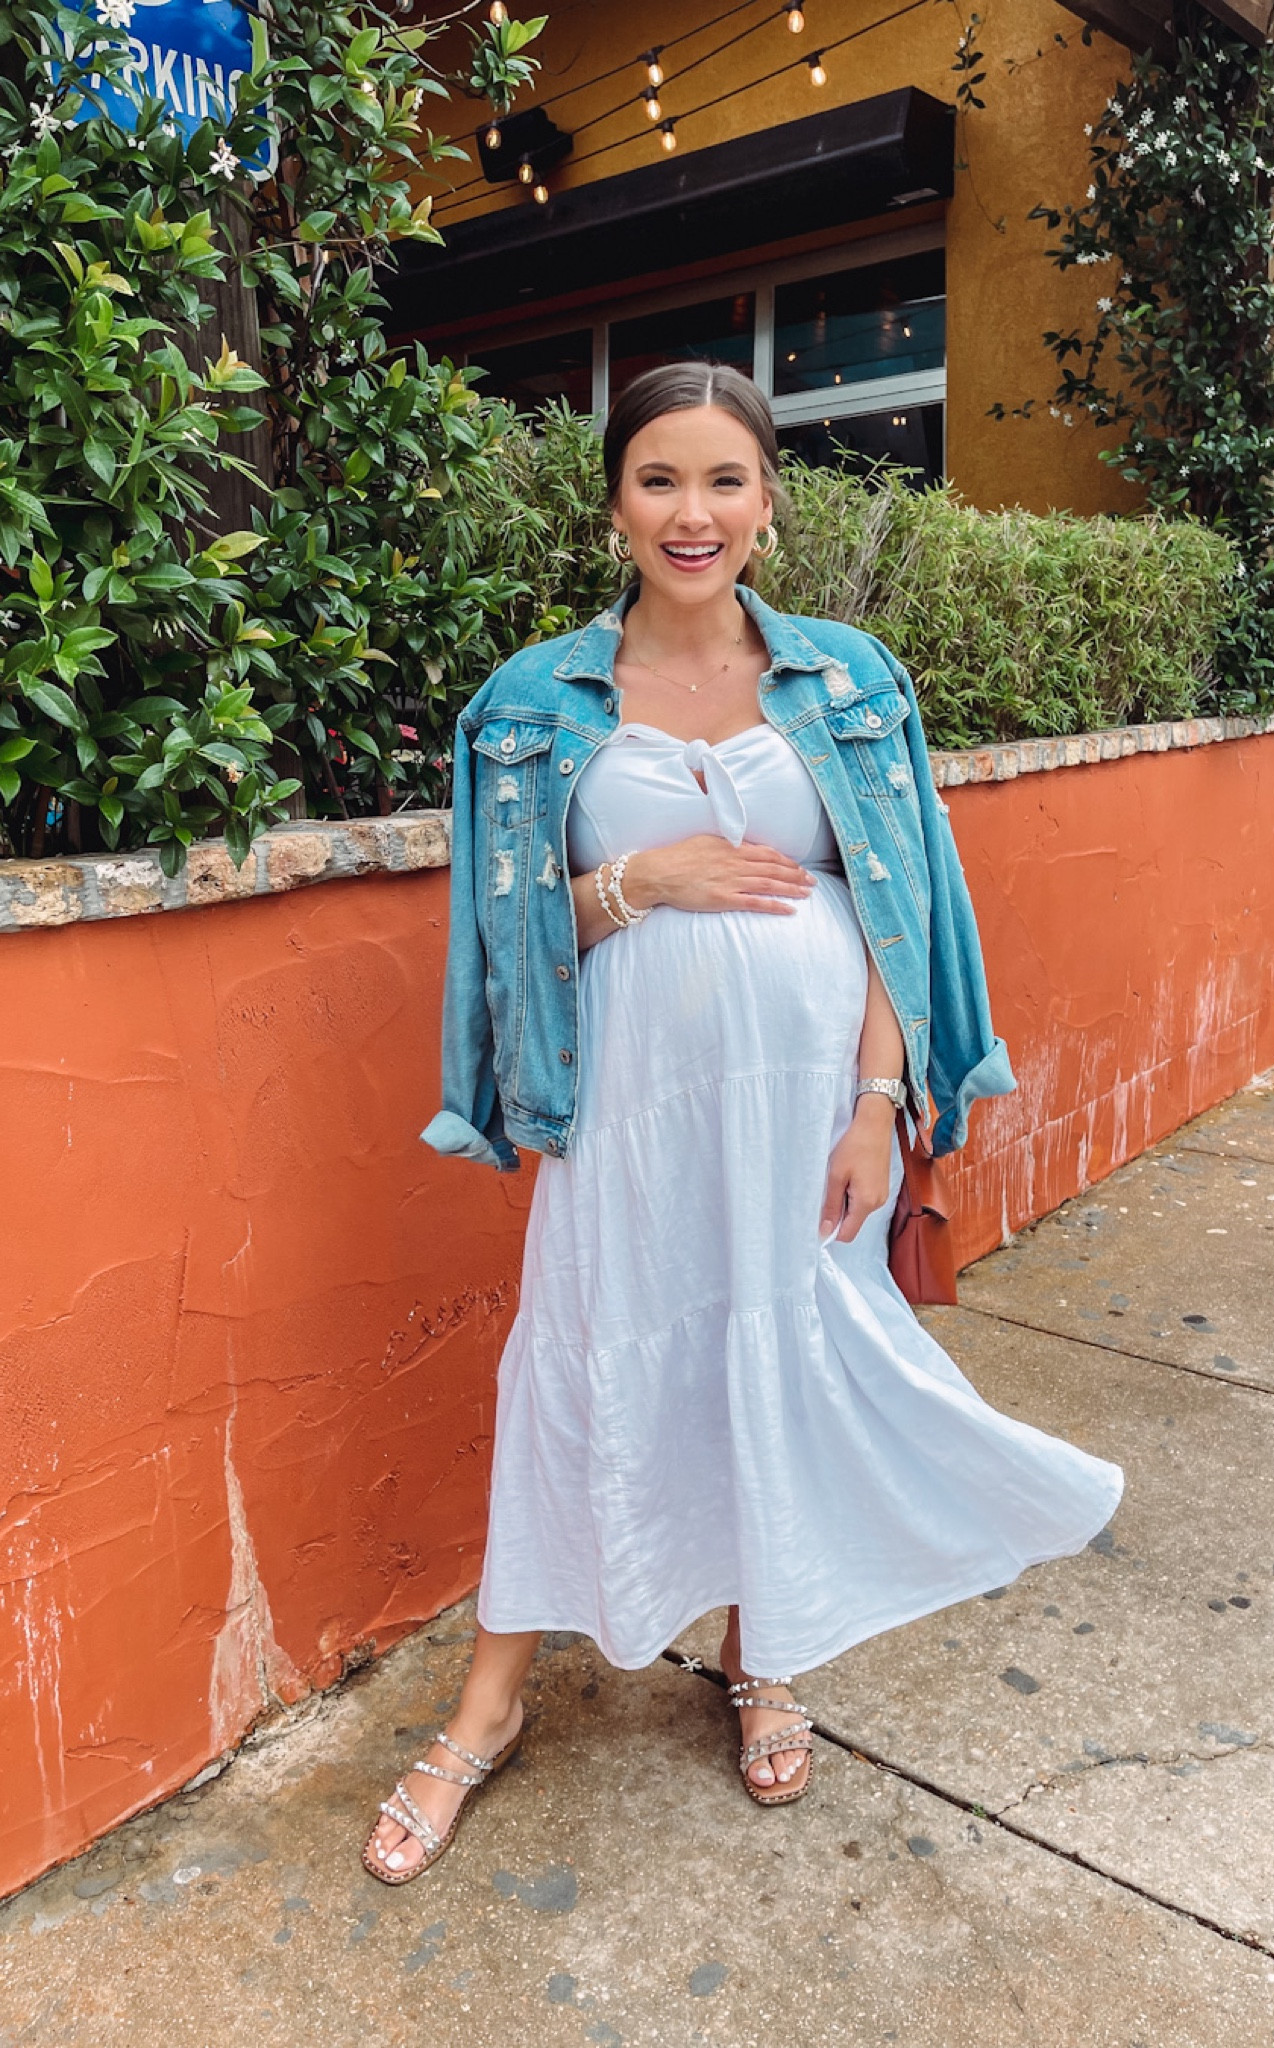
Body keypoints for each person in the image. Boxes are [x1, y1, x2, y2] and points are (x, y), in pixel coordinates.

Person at [361, 361, 1124, 1883]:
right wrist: (651, 880)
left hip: (806, 1118)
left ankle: (763, 1653)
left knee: (771, 1365)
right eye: (659, 480)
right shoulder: (529, 706)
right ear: (616, 506)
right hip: (628, 1122)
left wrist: (875, 1106)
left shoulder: (849, 680)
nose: (691, 512)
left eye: (723, 481)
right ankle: (486, 1713)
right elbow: (509, 935)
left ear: (769, 504)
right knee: (576, 1368)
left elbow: (898, 904)